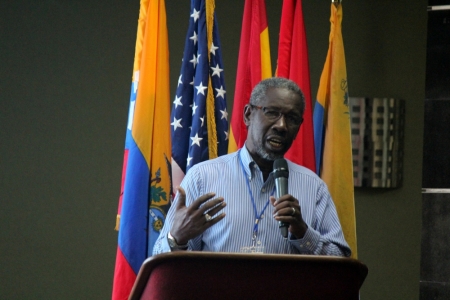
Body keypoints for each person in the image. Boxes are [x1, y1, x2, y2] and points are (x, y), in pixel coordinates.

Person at [153, 77, 351, 257]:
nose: (281, 126)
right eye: (272, 112)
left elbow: (341, 264)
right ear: (248, 115)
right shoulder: (202, 177)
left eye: (292, 118)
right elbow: (160, 259)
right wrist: (176, 238)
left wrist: (303, 232)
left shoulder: (313, 187)